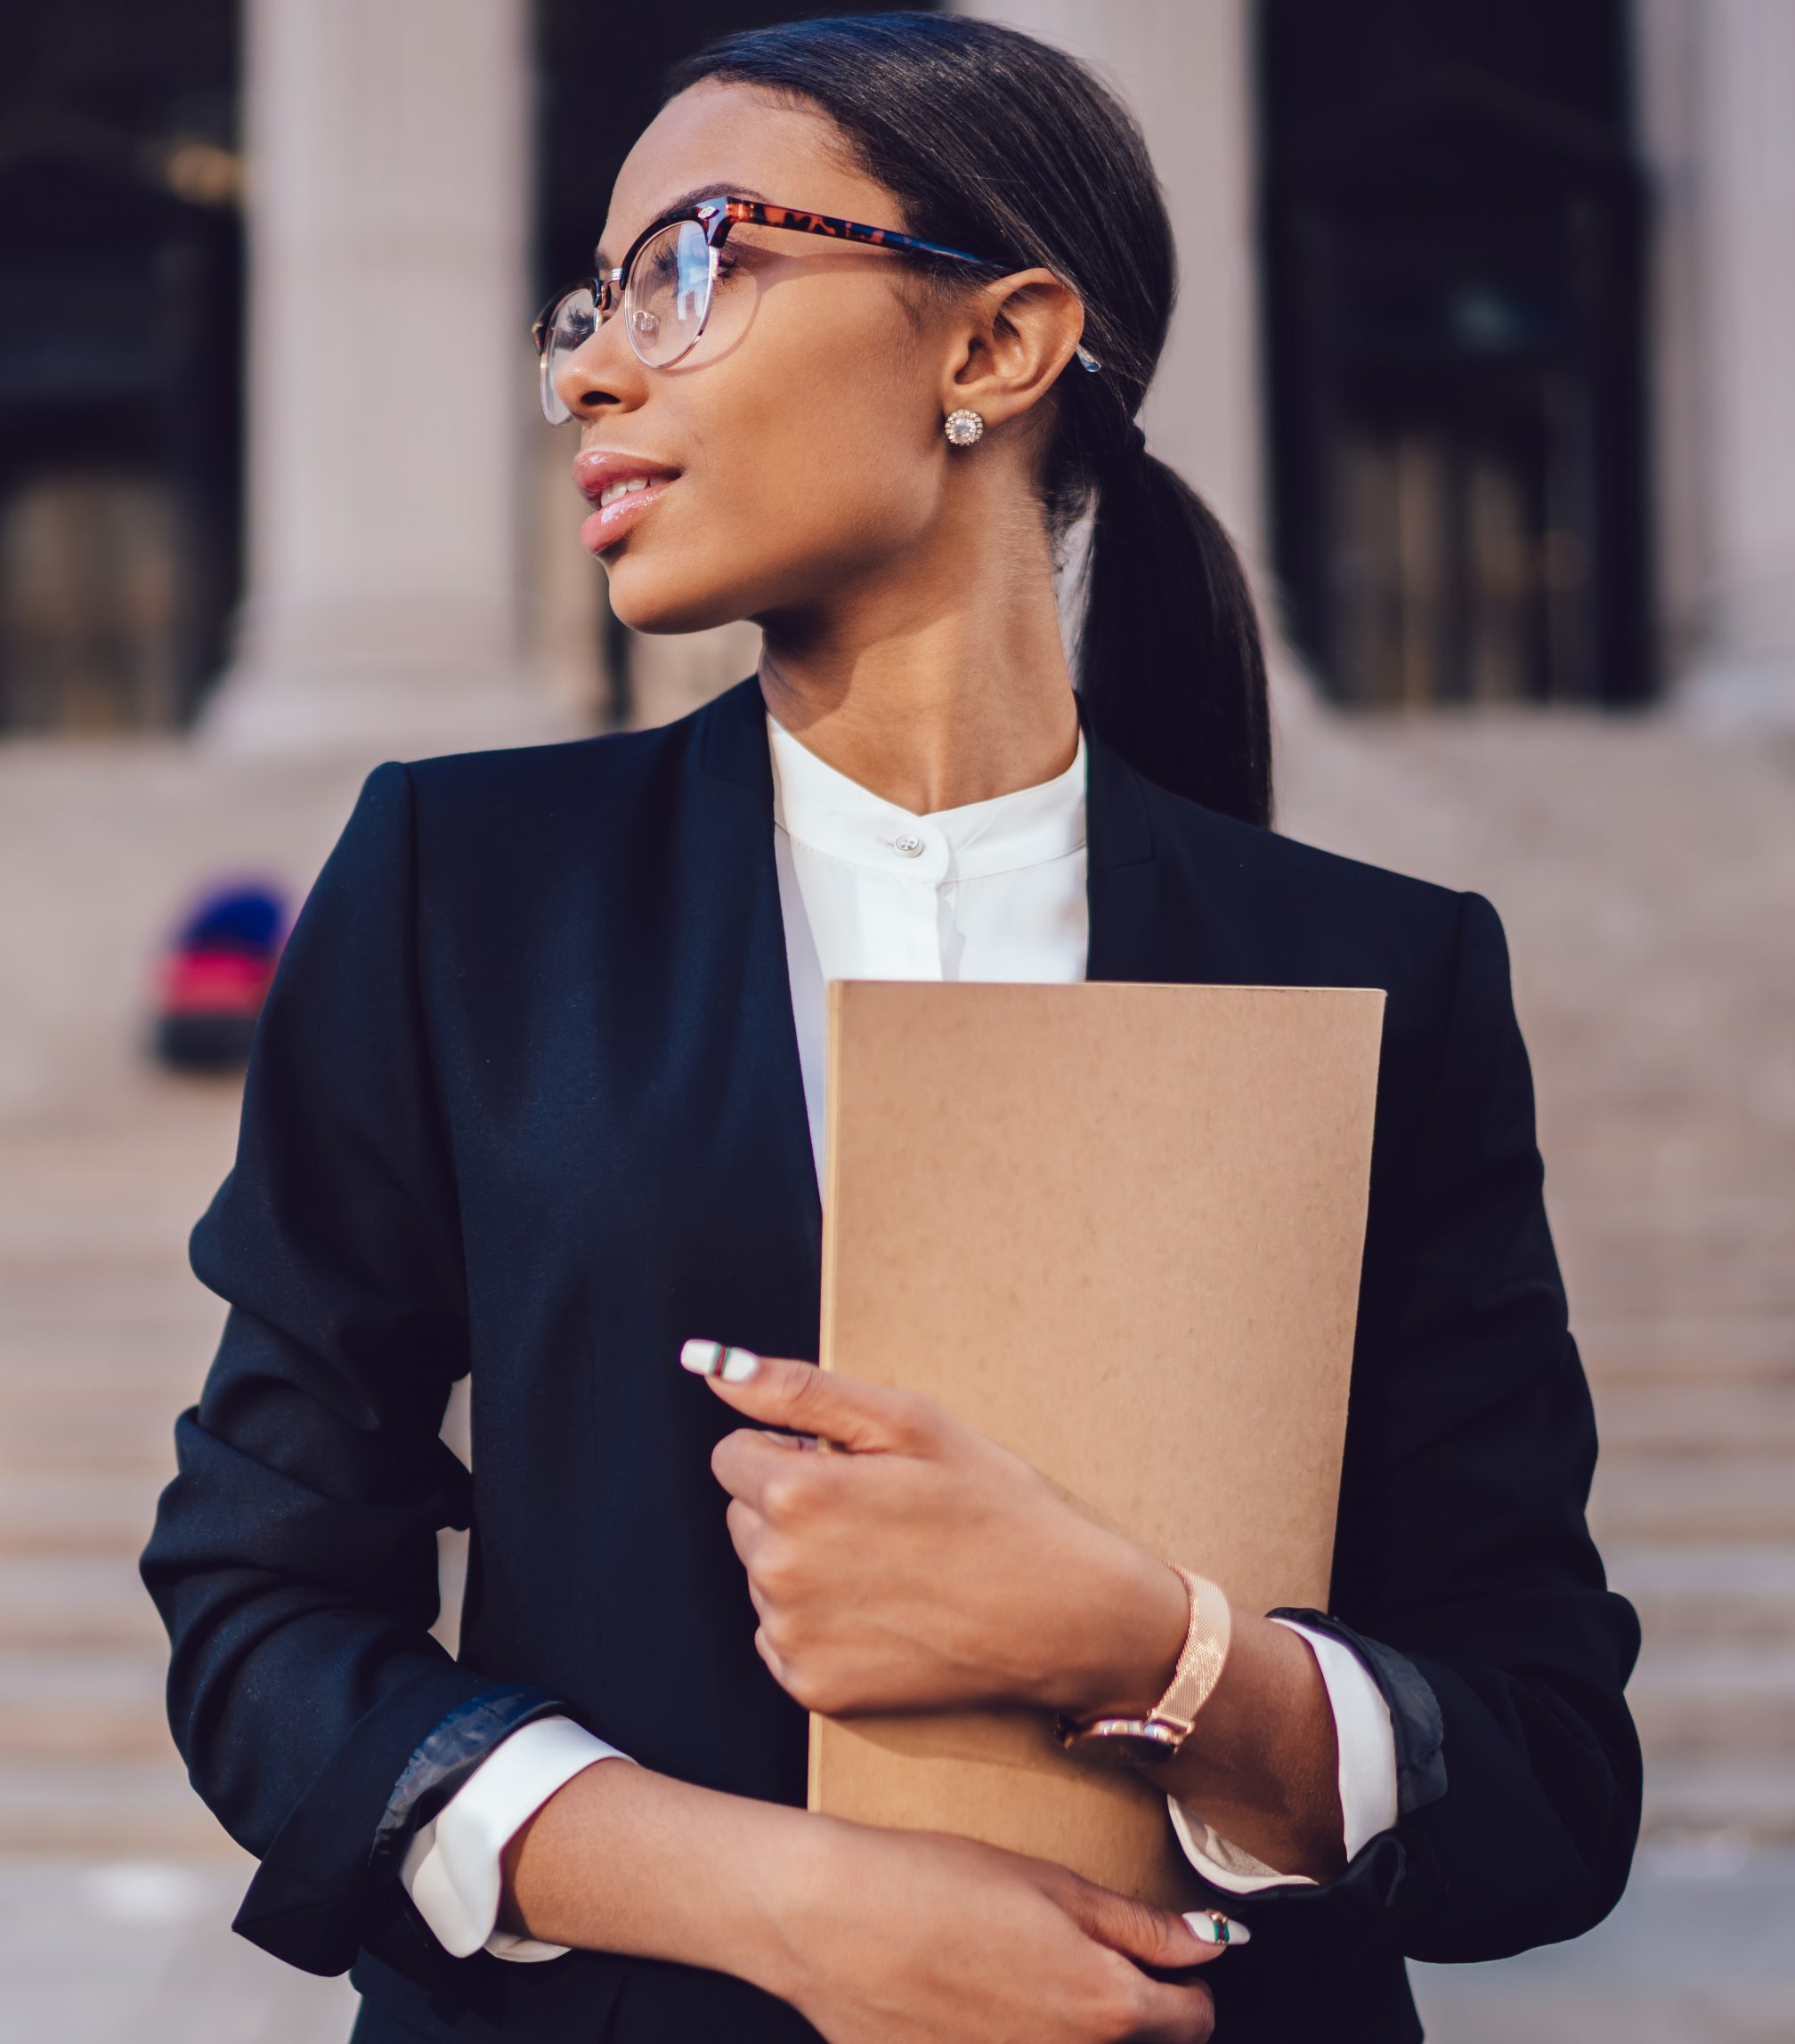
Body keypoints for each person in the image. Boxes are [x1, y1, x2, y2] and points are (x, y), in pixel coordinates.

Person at [142, 16, 1640, 2041]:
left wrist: (1151, 1644)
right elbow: (259, 1609)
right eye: (583, 307)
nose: (588, 367)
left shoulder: (1381, 969)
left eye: (689, 267)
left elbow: (1541, 1769)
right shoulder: (458, 887)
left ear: (994, 344)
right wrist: (783, 1899)